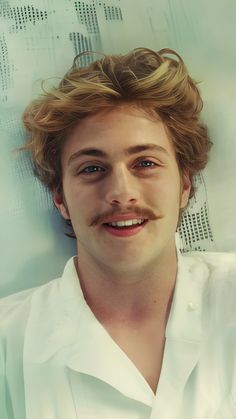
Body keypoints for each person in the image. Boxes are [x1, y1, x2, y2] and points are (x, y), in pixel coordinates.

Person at [1, 47, 236, 419]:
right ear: (60, 198)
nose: (121, 193)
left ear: (185, 185)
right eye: (92, 168)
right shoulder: (8, 341)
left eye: (145, 163)